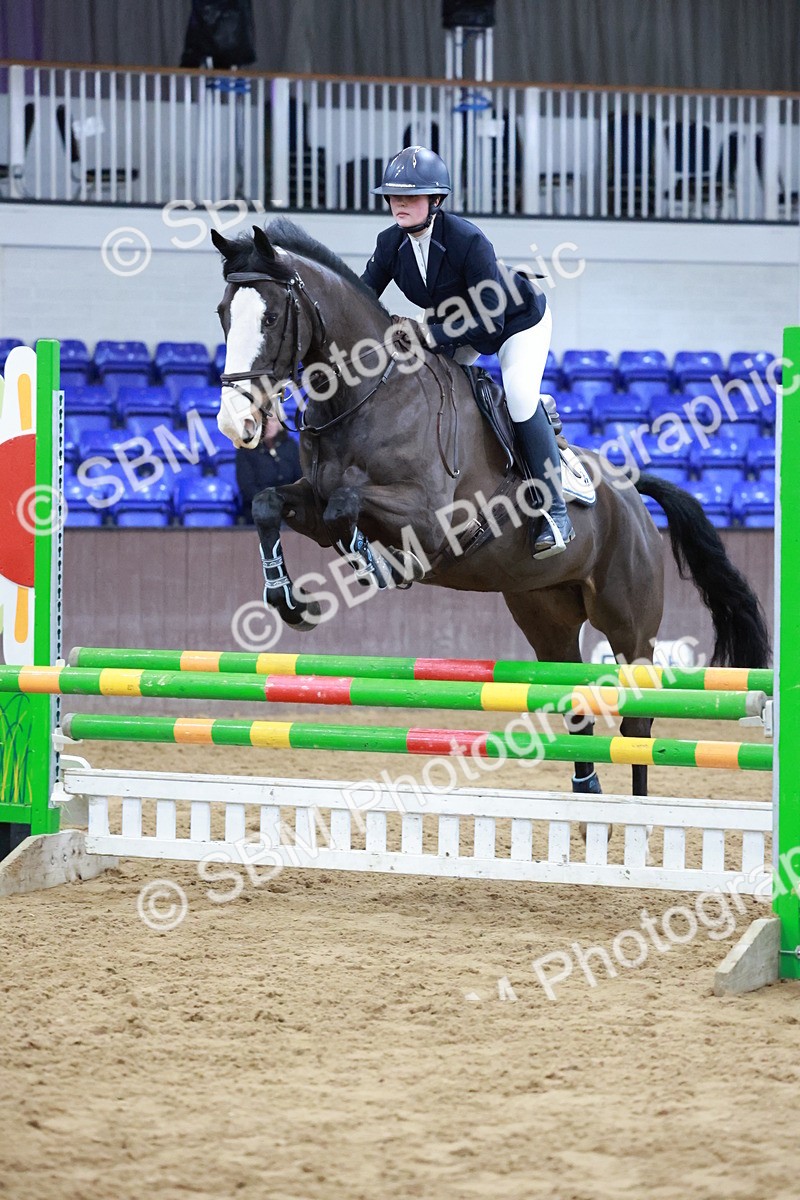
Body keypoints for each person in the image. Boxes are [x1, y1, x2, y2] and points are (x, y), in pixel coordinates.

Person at [361, 145, 574, 559]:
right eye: (393, 195)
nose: (399, 203)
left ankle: (555, 511)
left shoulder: (467, 240)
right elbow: (361, 296)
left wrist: (427, 331)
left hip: (516, 323)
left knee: (518, 396)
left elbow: (489, 325)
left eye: (411, 195)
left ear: (436, 200)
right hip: (456, 330)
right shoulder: (390, 244)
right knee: (426, 386)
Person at [235, 415, 302, 519]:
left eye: (273, 421)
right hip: (259, 510)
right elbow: (247, 488)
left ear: (280, 423)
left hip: (290, 507)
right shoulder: (246, 449)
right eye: (264, 421)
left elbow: (300, 480)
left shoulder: (290, 445)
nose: (269, 425)